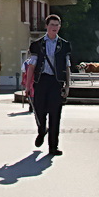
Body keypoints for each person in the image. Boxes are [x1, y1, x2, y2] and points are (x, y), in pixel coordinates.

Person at [25, 14, 71, 157]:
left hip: (56, 82)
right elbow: (32, 66)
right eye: (52, 25)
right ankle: (41, 130)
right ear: (46, 26)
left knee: (55, 115)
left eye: (57, 25)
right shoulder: (37, 45)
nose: (54, 28)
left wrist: (68, 85)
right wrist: (28, 86)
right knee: (39, 111)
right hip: (41, 81)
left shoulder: (64, 45)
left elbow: (67, 66)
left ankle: (53, 146)